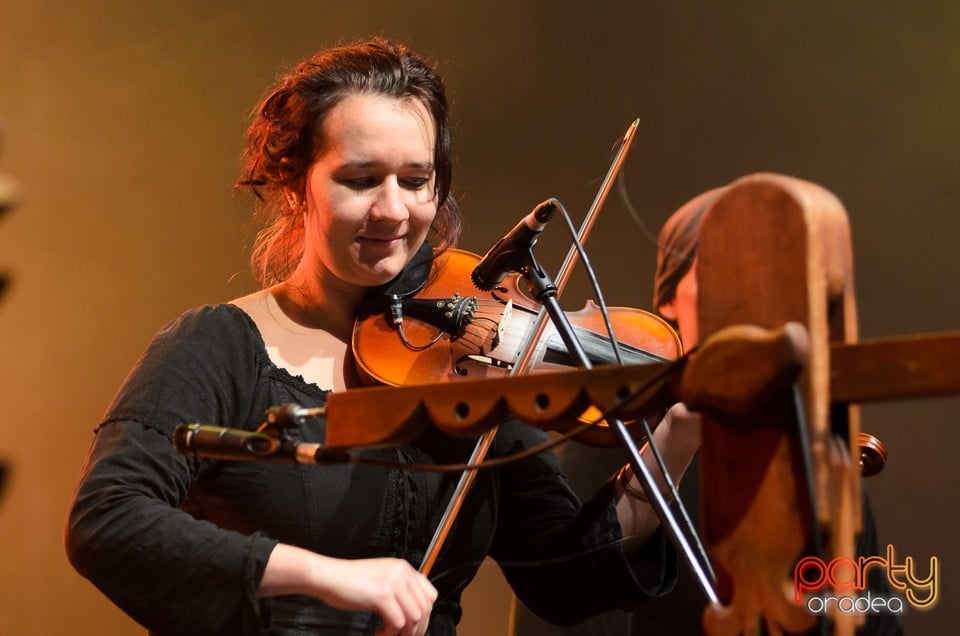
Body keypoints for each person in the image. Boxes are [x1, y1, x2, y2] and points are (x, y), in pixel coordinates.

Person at [64, 37, 700, 636]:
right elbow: (109, 519)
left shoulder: (472, 363)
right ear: (295, 186)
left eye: (416, 181)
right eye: (361, 180)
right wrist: (328, 576)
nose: (394, 210)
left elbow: (565, 580)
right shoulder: (221, 345)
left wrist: (678, 429)